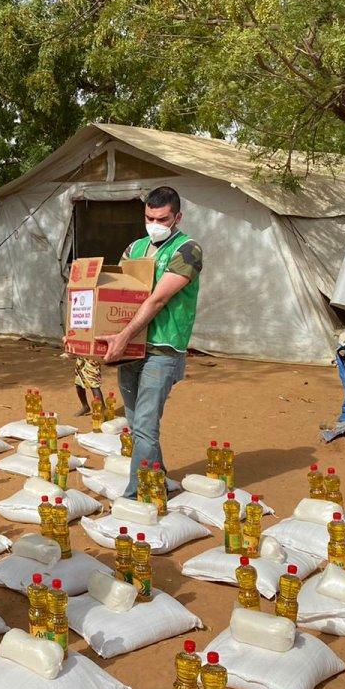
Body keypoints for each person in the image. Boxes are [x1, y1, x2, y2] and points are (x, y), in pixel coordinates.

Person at [97, 186, 202, 497]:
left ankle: (137, 494)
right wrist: (86, 335)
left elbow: (158, 299)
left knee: (144, 425)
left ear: (177, 217)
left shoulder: (188, 250)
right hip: (131, 349)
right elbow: (116, 295)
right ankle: (158, 480)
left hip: (163, 347)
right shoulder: (135, 248)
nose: (154, 224)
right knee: (135, 422)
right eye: (149, 217)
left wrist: (122, 335)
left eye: (162, 219)